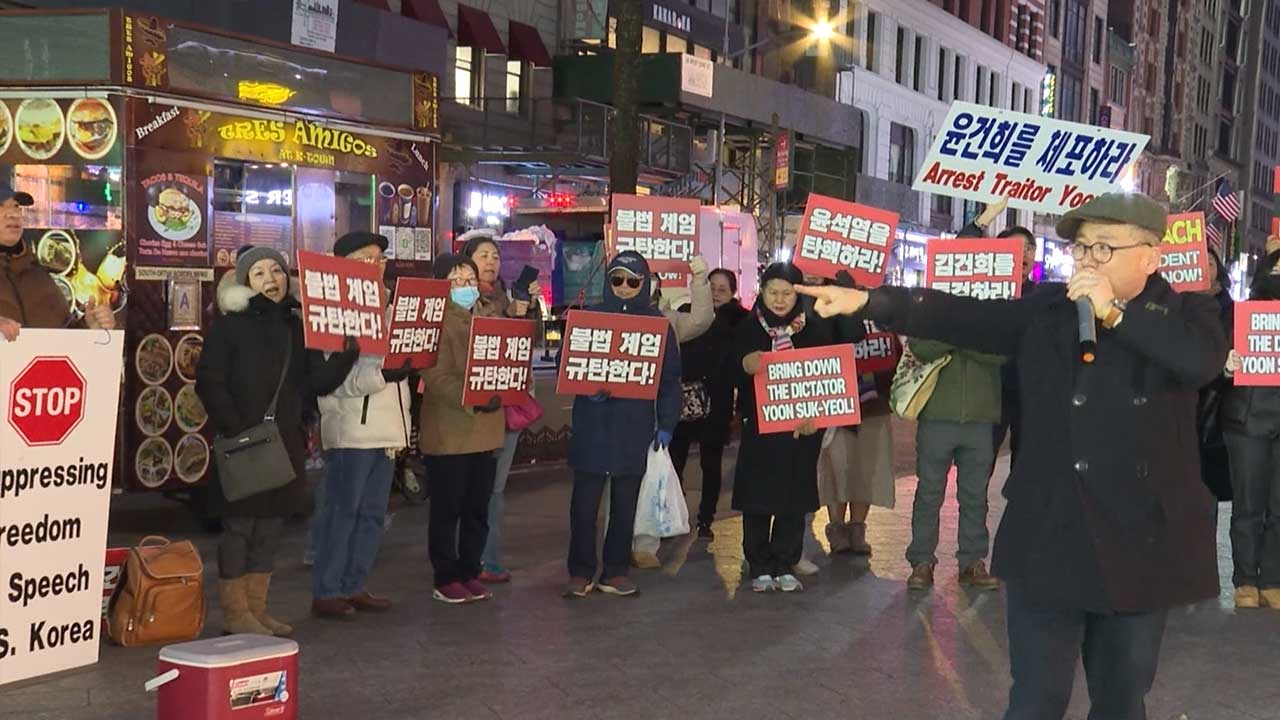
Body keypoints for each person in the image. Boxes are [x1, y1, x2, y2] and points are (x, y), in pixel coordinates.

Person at [794, 192, 1226, 719]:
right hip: (1050, 535)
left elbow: (1198, 361)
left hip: (1139, 541)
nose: (1087, 260)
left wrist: (1114, 313)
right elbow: (964, 315)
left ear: (1149, 255)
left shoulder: (1190, 312)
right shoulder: (1049, 309)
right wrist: (871, 302)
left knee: (1120, 698)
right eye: (1082, 248)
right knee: (1036, 699)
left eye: (1102, 249)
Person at [197, 247, 358, 636]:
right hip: (242, 442)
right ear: (244, 282)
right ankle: (236, 614)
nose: (271, 279)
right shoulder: (229, 326)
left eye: (276, 271)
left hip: (282, 442)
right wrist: (236, 428)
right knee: (239, 529)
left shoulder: (293, 326)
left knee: (269, 529)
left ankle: (257, 609)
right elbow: (209, 381)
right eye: (259, 273)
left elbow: (313, 383)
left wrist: (345, 356)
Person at [563, 251, 681, 598]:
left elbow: (670, 380)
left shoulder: (659, 324)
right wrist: (587, 388)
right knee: (584, 507)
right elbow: (565, 365)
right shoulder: (588, 318)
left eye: (633, 281)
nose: (625, 287)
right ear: (607, 281)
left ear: (645, 284)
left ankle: (615, 571)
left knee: (625, 506)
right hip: (593, 427)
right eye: (617, 279)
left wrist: (667, 423)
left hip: (634, 428)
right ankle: (580, 571)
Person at [310, 232, 414, 620]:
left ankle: (355, 583)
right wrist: (382, 374)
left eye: (380, 259)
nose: (376, 265)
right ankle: (328, 588)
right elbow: (332, 379)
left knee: (372, 514)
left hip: (388, 428)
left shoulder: (392, 307)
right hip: (352, 428)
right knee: (343, 511)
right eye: (365, 258)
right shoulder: (330, 309)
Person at [730, 263, 834, 594]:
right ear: (761, 293)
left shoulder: (813, 330)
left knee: (793, 496)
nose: (779, 299)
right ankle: (759, 564)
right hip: (760, 428)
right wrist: (745, 365)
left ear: (797, 294)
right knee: (758, 498)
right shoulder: (748, 328)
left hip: (800, 431)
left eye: (787, 293)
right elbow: (728, 373)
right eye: (772, 292)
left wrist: (815, 417)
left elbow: (825, 378)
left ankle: (785, 562)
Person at [420, 254, 505, 604]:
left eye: (469, 280)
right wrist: (475, 396)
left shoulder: (490, 319)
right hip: (450, 431)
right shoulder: (432, 323)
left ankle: (470, 570)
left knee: (477, 508)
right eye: (456, 280)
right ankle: (446, 575)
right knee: (447, 509)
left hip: (485, 432)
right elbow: (436, 377)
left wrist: (506, 386)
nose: (465, 287)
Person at [460, 235, 540, 583]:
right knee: (472, 487)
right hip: (474, 408)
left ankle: (486, 558)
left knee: (494, 489)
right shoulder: (462, 300)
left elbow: (528, 343)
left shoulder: (507, 298)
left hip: (507, 405)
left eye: (495, 255)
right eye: (483, 255)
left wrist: (529, 311)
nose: (490, 261)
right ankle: (467, 558)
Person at [905, 328, 1005, 591]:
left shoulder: (992, 309)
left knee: (975, 496)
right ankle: (921, 561)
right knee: (929, 493)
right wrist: (962, 334)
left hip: (981, 418)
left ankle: (973, 561)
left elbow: (1002, 352)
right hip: (936, 415)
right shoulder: (932, 306)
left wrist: (957, 337)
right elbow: (918, 347)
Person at [632, 255, 714, 567]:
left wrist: (699, 281)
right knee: (621, 480)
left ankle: (646, 544)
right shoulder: (612, 316)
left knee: (653, 478)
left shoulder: (669, 319)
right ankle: (619, 540)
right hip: (620, 412)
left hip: (654, 412)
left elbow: (701, 320)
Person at [669, 267, 749, 541]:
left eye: (722, 289)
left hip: (717, 400)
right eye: (711, 287)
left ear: (733, 293)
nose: (715, 293)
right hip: (684, 397)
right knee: (674, 459)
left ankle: (706, 519)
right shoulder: (687, 312)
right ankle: (674, 515)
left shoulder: (741, 320)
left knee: (711, 464)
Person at [959, 196, 1039, 470]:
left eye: (1030, 248)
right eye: (1017, 248)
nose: (1025, 254)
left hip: (1029, 394)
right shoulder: (983, 288)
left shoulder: (1042, 296)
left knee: (1026, 468)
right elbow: (958, 256)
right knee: (979, 465)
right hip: (987, 391)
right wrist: (985, 218)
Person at [1222, 248, 1280, 610]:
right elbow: (1214, 359)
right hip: (1248, 420)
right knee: (1248, 505)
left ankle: (1272, 578)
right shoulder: (1240, 314)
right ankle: (1246, 578)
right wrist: (1226, 365)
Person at [819, 316, 899, 557]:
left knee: (868, 468)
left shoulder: (882, 316)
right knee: (837, 467)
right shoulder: (825, 312)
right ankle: (836, 527)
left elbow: (896, 355)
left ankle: (857, 528)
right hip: (836, 403)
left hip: (874, 406)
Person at [0, 182, 114, 339]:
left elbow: (63, 339)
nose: (13, 213)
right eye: (1, 206)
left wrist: (88, 326)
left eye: (16, 206)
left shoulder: (41, 278)